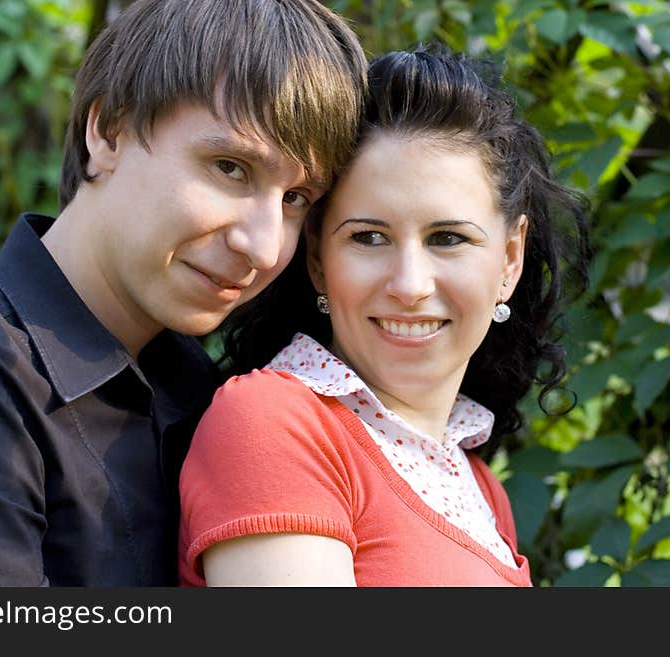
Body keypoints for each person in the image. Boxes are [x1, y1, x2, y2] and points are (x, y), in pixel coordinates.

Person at [0, 0, 367, 586]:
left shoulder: (213, 394)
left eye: (296, 199)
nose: (264, 245)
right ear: (108, 130)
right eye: (230, 167)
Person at [178, 44, 593, 586]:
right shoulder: (273, 422)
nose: (409, 286)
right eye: (369, 237)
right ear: (318, 259)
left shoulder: (479, 487)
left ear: (510, 259)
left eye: (448, 238)